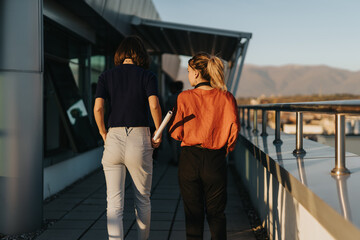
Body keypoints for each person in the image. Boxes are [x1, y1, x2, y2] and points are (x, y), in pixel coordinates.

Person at [93, 35, 162, 240]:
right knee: (142, 199)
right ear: (140, 55)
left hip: (113, 137)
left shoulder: (106, 76)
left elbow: (98, 108)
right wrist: (158, 132)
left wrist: (103, 132)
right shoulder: (147, 76)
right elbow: (154, 105)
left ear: (120, 55)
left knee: (114, 202)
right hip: (139, 137)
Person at [169, 52, 240, 240]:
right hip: (215, 159)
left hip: (189, 160)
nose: (188, 75)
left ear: (198, 73)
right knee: (216, 214)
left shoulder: (184, 97)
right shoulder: (227, 98)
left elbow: (176, 133)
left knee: (193, 215)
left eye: (189, 71)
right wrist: (225, 149)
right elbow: (233, 132)